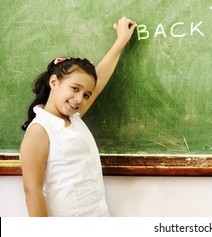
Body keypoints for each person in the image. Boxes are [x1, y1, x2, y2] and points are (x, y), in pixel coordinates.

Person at [20, 16, 137, 216]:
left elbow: (98, 83)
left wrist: (121, 42)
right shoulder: (41, 130)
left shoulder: (73, 118)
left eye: (86, 95)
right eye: (74, 88)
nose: (78, 99)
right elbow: (33, 191)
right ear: (54, 82)